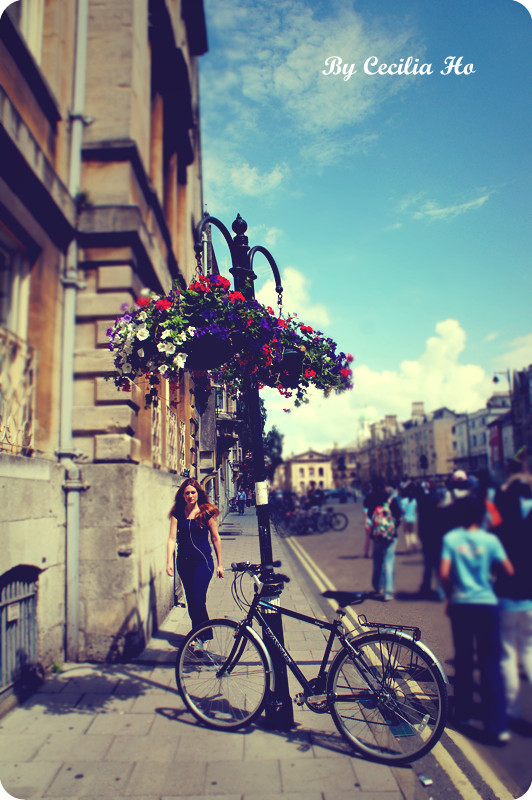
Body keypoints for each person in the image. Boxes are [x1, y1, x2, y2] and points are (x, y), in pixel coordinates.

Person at [439, 495, 514, 744]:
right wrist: (490, 577)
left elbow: (444, 573)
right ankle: (498, 726)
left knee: (464, 660)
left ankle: (464, 713)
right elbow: (508, 570)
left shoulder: (451, 539)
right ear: (482, 516)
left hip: (461, 605)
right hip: (486, 605)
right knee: (490, 663)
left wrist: (451, 594)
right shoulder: (490, 540)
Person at [494, 468, 532, 733]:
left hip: (507, 596)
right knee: (530, 652)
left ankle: (512, 710)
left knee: (508, 655)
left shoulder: (502, 526)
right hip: (529, 597)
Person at [166, 479, 224, 643]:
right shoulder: (177, 513)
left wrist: (220, 564)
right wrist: (169, 562)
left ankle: (203, 635)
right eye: (187, 493)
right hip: (184, 563)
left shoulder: (207, 513)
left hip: (203, 562)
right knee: (191, 601)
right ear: (182, 495)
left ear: (198, 494)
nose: (190, 495)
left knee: (198, 599)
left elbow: (215, 538)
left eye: (193, 492)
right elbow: (172, 538)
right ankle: (197, 634)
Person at [364, 477, 402, 601]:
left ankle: (378, 586)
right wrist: (393, 527)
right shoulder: (391, 498)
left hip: (377, 535)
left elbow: (369, 514)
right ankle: (388, 592)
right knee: (389, 561)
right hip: (391, 535)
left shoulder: (371, 498)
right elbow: (399, 516)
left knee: (377, 560)